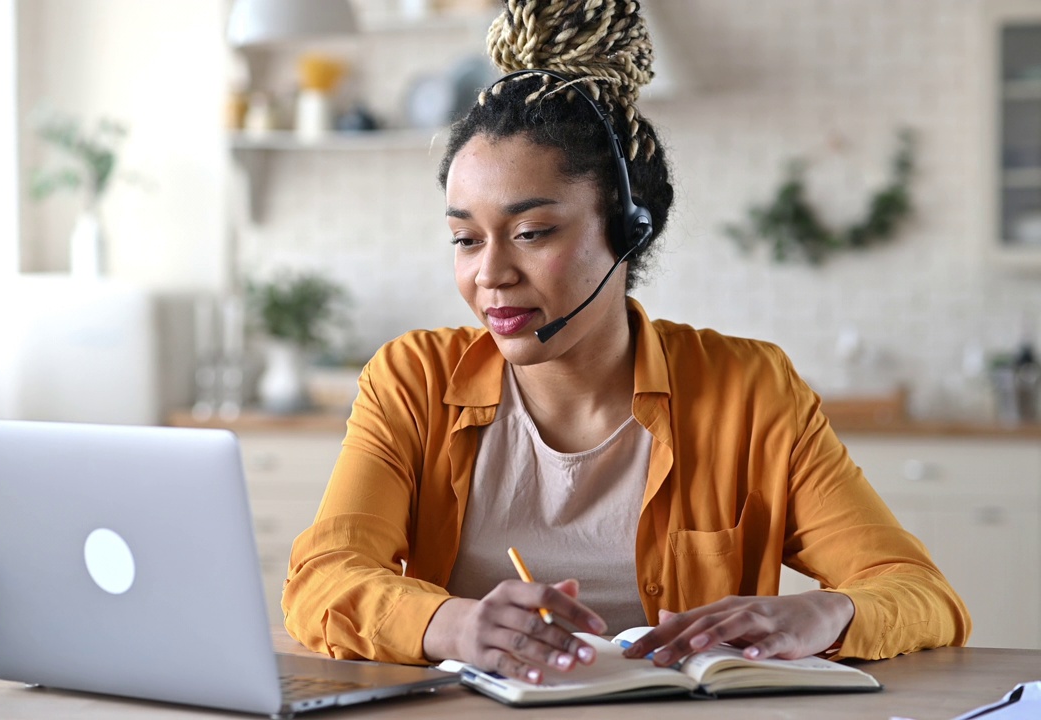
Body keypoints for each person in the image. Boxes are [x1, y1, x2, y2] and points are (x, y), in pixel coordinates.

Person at [282, 0, 970, 685]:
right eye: (465, 239)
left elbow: (921, 595)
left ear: (628, 229)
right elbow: (323, 580)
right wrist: (456, 625)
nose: (489, 273)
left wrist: (828, 612)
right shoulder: (413, 380)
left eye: (531, 233)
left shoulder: (751, 389)